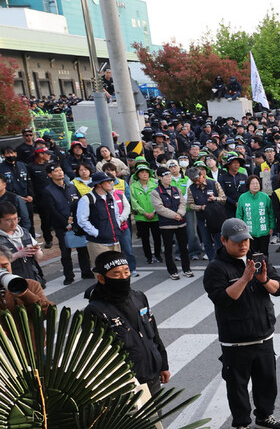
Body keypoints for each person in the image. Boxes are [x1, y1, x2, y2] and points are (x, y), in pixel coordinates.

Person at [203, 218, 280, 429]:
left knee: (267, 381)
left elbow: (279, 288)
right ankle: (241, 424)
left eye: (246, 241)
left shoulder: (259, 260)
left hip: (263, 334)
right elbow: (222, 299)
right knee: (237, 386)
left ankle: (264, 416)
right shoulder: (216, 268)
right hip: (235, 341)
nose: (243, 246)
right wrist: (244, 279)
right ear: (224, 240)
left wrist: (264, 280)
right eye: (237, 241)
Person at [84, 251, 169, 396]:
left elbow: (153, 333)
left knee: (156, 418)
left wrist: (163, 364)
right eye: (116, 274)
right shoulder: (95, 310)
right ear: (101, 278)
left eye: (126, 272)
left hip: (152, 375)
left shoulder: (139, 297)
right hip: (124, 384)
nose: (123, 277)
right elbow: (94, 354)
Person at [43, 162, 93, 285]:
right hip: (61, 225)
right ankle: (68, 275)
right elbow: (52, 210)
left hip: (77, 223)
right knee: (65, 252)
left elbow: (81, 203)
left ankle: (86, 271)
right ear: (50, 175)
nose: (60, 172)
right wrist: (66, 224)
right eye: (56, 171)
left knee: (83, 249)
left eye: (60, 170)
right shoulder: (48, 191)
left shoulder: (71, 186)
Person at [150, 167, 194, 280]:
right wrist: (174, 215)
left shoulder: (176, 189)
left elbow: (182, 203)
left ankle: (186, 269)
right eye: (166, 176)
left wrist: (180, 213)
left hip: (181, 223)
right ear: (159, 177)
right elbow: (159, 208)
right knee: (169, 249)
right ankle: (172, 271)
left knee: (184, 247)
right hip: (167, 225)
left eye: (170, 176)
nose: (169, 178)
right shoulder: (156, 192)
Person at [236, 175, 275, 255]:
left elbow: (271, 213)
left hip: (264, 231)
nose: (255, 185)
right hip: (248, 232)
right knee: (250, 255)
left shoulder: (265, 197)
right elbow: (239, 215)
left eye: (257, 183)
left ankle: (265, 267)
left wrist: (271, 227)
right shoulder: (243, 197)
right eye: (252, 183)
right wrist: (240, 230)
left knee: (264, 254)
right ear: (248, 185)